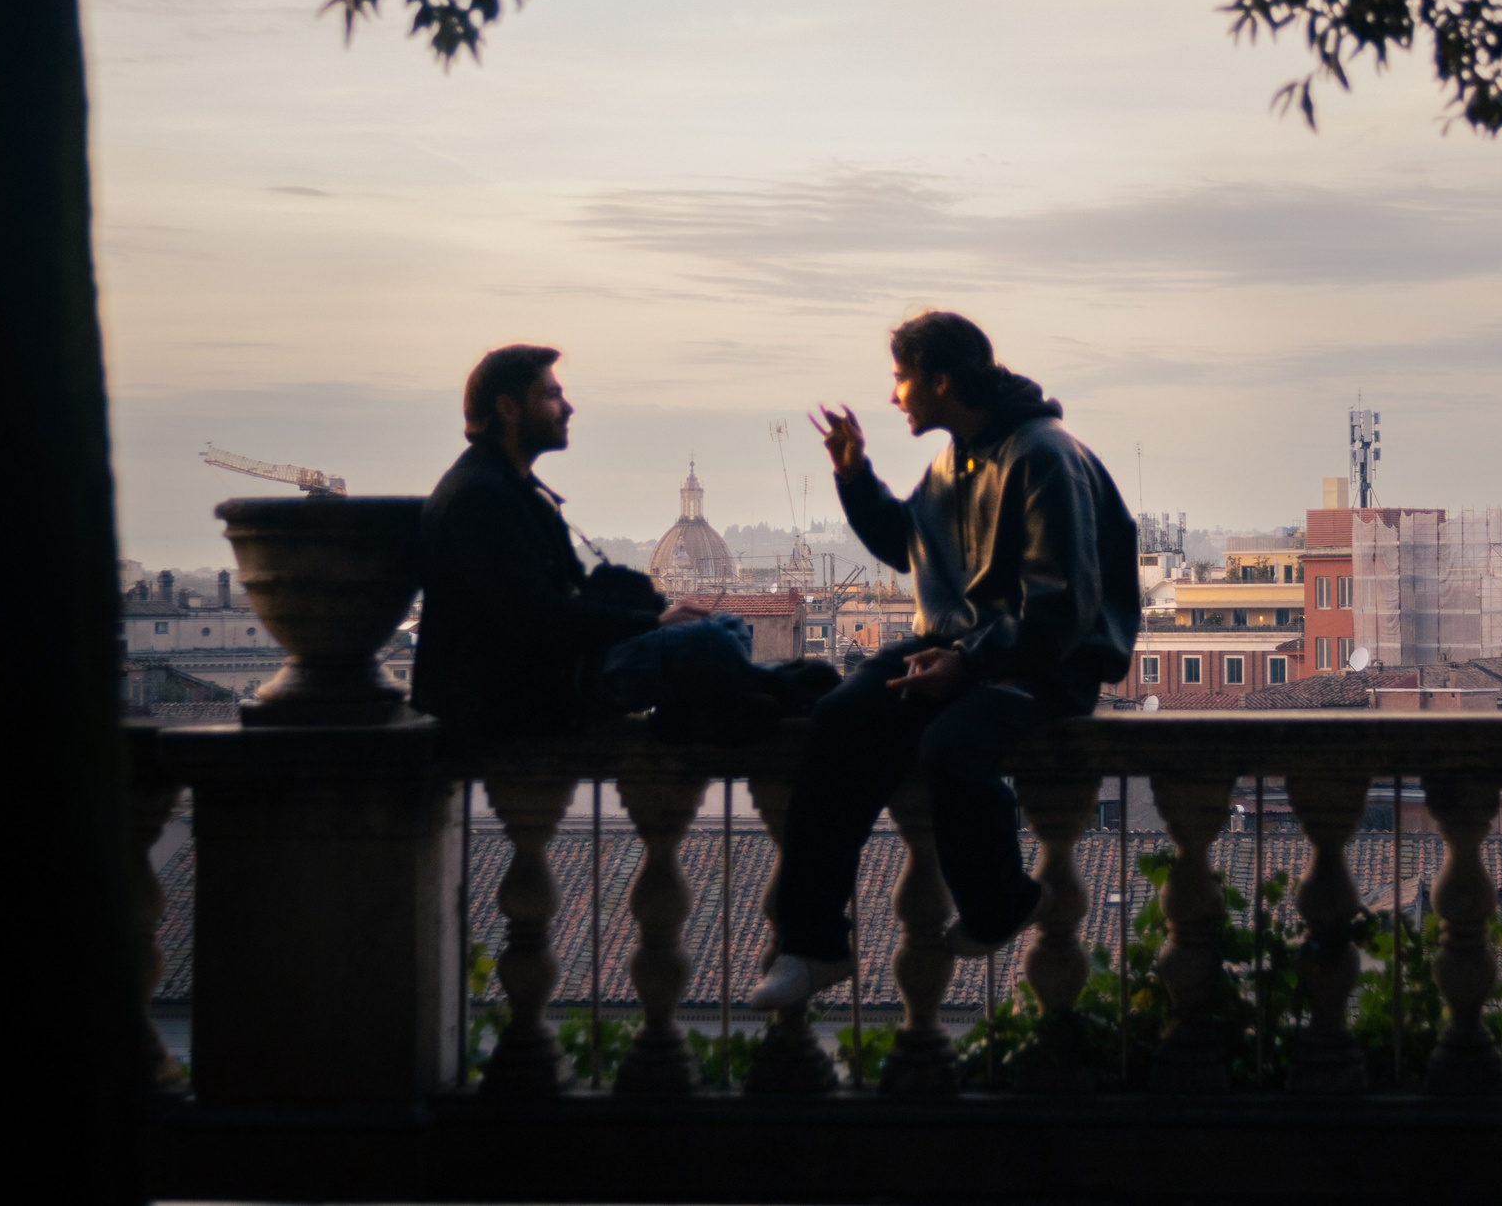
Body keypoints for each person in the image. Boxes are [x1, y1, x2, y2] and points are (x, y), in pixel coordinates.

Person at [748, 312, 1140, 1008]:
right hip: (968, 647)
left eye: (901, 379)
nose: (895, 396)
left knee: (950, 747)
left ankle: (1000, 901)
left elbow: (1060, 608)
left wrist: (969, 666)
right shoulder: (954, 459)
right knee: (841, 716)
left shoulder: (1043, 455)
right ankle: (812, 943)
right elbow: (910, 543)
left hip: (1044, 663)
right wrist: (854, 474)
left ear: (940, 378)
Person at [414, 343, 830, 740]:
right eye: (552, 395)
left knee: (726, 626)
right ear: (508, 408)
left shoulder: (513, 489)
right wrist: (652, 623)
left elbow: (565, 600)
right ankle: (760, 693)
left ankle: (735, 699)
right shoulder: (479, 498)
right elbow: (536, 617)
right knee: (714, 639)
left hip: (563, 663)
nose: (568, 407)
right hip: (521, 687)